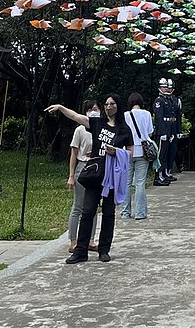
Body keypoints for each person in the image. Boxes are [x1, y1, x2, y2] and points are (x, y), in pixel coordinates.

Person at [45, 93, 132, 263]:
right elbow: (76, 117)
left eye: (112, 104)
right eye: (106, 104)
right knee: (87, 212)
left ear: (118, 106)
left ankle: (104, 250)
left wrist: (116, 152)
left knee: (108, 214)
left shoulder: (124, 129)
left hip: (111, 176)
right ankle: (80, 251)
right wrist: (61, 108)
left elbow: (130, 152)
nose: (108, 107)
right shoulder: (97, 123)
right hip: (95, 173)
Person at [65, 99, 100, 252]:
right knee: (78, 206)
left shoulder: (101, 129)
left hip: (97, 168)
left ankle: (91, 240)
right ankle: (73, 241)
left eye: (97, 109)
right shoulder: (79, 130)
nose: (94, 111)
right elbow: (73, 154)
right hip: (82, 167)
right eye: (91, 109)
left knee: (93, 206)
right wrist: (71, 176)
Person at [121, 92, 155, 220]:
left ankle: (125, 212)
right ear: (141, 102)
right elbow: (150, 132)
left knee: (127, 183)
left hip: (127, 152)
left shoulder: (125, 115)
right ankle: (140, 213)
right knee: (140, 183)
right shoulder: (146, 114)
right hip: (142, 152)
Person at [153, 77, 183, 185]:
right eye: (164, 87)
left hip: (170, 129)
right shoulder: (159, 101)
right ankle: (158, 176)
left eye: (167, 87)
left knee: (167, 154)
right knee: (161, 155)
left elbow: (176, 116)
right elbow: (159, 118)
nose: (166, 89)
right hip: (163, 130)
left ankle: (164, 174)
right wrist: (162, 132)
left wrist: (176, 130)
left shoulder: (168, 100)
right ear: (159, 88)